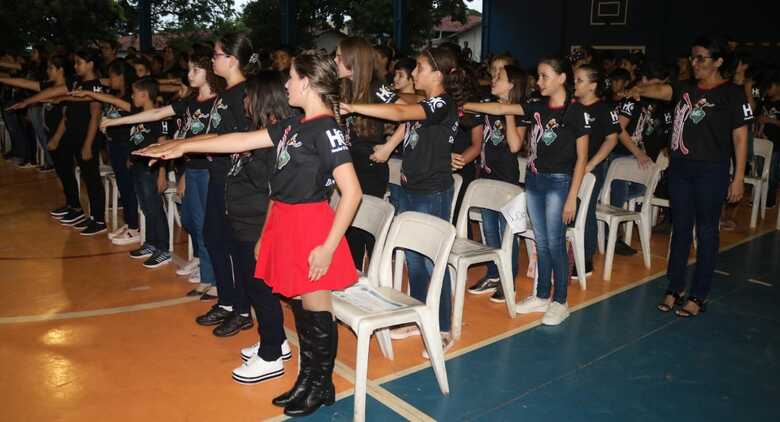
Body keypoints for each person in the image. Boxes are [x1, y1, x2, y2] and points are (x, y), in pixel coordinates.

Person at [135, 51, 361, 418]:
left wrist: (327, 247)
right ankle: (310, 379)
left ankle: (320, 385)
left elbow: (352, 192)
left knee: (317, 309)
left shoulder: (326, 128)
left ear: (306, 82)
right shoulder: (293, 125)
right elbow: (238, 141)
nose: (286, 84)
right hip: (286, 221)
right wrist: (181, 146)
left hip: (312, 226)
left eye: (290, 77)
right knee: (303, 311)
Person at [344, 47, 464, 354]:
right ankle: (423, 315)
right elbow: (402, 114)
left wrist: (353, 106)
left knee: (432, 261)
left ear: (438, 74)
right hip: (412, 188)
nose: (414, 72)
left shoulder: (441, 103)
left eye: (420, 68)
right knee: (414, 260)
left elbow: (399, 113)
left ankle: (443, 327)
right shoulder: (426, 103)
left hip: (432, 191)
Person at [630, 34, 752, 317]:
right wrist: (637, 90)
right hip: (681, 169)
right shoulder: (685, 89)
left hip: (712, 170)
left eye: (702, 58)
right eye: (693, 57)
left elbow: (741, 138)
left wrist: (738, 177)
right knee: (681, 229)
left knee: (707, 231)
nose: (695, 63)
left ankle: (699, 294)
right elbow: (662, 90)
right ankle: (675, 287)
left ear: (719, 61)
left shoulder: (732, 94)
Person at [464, 56, 590, 326]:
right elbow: (500, 109)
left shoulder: (576, 112)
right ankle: (542, 294)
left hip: (559, 182)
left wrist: (572, 197)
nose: (539, 82)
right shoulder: (537, 106)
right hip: (534, 179)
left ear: (562, 79)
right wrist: (461, 104)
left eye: (545, 76)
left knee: (555, 242)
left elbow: (581, 158)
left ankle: (561, 301)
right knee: (541, 242)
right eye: (539, 76)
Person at [101, 44, 223, 297]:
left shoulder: (219, 103)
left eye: (195, 69)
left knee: (206, 225)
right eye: (189, 69)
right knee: (192, 221)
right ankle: (207, 272)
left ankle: (214, 279)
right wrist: (117, 121)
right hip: (191, 167)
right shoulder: (191, 101)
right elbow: (156, 113)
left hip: (210, 169)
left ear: (210, 72)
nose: (189, 74)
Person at [11, 48, 108, 235]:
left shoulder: (95, 86)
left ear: (90, 65)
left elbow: (95, 116)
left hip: (86, 138)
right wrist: (27, 102)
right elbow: (59, 103)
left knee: (92, 179)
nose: (75, 66)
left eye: (79, 62)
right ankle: (80, 210)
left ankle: (99, 220)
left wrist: (88, 144)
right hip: (72, 136)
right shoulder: (76, 82)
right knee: (72, 171)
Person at [335, 37, 399, 269]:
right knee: (351, 229)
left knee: (367, 230)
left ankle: (377, 281)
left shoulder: (377, 88)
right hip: (348, 164)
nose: (335, 60)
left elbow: (409, 114)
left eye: (339, 57)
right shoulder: (343, 86)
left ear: (353, 61)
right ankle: (353, 282)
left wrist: (389, 146)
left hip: (370, 166)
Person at [467, 64, 526, 302]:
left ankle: (508, 279)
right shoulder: (486, 106)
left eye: (499, 77)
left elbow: (514, 146)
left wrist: (508, 112)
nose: (493, 79)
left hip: (506, 181)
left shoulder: (521, 111)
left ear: (511, 85)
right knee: (489, 231)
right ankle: (493, 273)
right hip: (486, 177)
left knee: (505, 234)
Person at [574, 64, 620, 275]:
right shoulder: (572, 107)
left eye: (579, 80)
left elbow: (612, 139)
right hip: (570, 166)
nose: (575, 84)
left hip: (591, 169)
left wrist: (591, 165)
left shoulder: (605, 109)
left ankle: (586, 257)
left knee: (586, 209)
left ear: (592, 85)